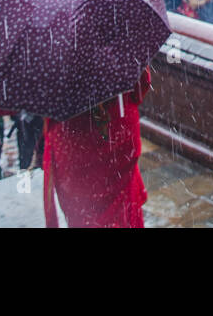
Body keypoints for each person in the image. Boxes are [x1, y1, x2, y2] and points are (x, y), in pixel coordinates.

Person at [44, 69, 151, 228]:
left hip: (71, 144)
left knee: (82, 214)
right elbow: (141, 87)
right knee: (123, 214)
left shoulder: (52, 59)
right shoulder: (121, 50)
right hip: (118, 133)